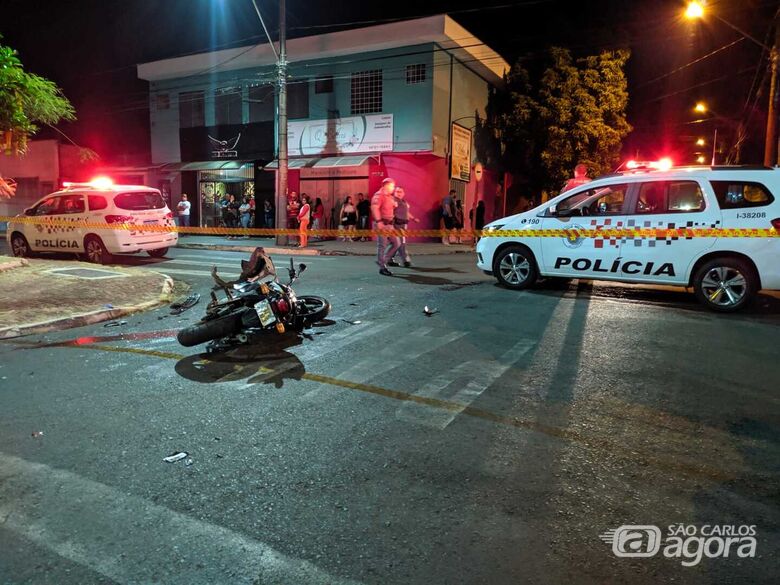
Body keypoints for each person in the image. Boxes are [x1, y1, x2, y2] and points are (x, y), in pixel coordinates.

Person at [386, 186, 420, 268]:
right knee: (401, 243)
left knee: (396, 243)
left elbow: (406, 213)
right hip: (395, 225)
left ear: (403, 193)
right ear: (394, 192)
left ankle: (388, 259)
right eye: (397, 191)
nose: (399, 193)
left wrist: (413, 218)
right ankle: (406, 260)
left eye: (400, 192)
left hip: (403, 225)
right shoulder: (393, 201)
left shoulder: (404, 202)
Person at [371, 177, 397, 276]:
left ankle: (382, 260)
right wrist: (379, 221)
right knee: (382, 246)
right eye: (392, 186)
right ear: (386, 185)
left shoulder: (389, 196)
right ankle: (382, 267)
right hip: (383, 224)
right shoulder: (379, 195)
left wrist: (394, 205)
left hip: (390, 224)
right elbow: (374, 208)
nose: (393, 188)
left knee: (396, 243)